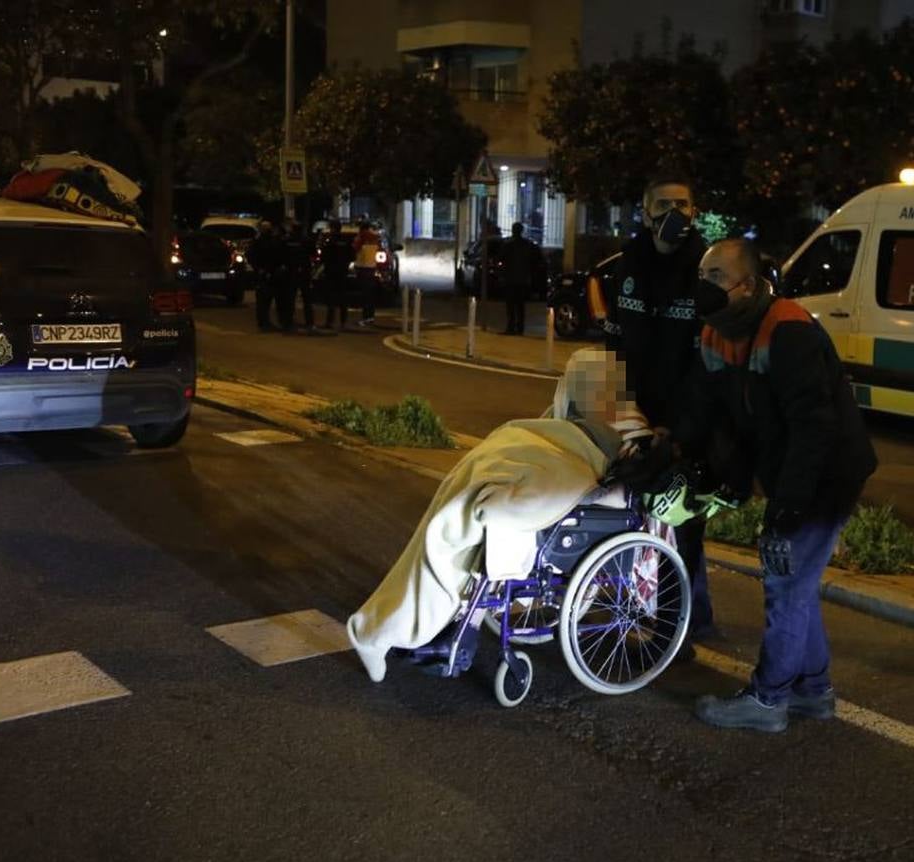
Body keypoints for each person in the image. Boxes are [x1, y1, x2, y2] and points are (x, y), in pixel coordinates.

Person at [345, 348, 654, 683]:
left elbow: (617, 488)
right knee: (467, 504)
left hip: (566, 484)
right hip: (533, 464)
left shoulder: (634, 432)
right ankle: (421, 624)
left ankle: (410, 626)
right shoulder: (578, 413)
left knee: (475, 519)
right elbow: (543, 432)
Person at [678, 239, 878, 734]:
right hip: (789, 469)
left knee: (785, 581)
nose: (706, 286)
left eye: (718, 276)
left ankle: (768, 702)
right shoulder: (714, 333)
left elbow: (814, 426)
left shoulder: (788, 329)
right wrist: (683, 457)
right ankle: (813, 692)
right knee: (797, 584)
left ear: (748, 284)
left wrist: (788, 506)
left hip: (826, 473)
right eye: (704, 274)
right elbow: (712, 414)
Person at [603, 173, 716, 642]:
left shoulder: (706, 272)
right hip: (633, 418)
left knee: (682, 528)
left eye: (684, 204)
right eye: (665, 204)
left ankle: (680, 630)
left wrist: (679, 427)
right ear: (645, 212)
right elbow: (611, 346)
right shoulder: (624, 266)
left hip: (683, 425)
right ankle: (652, 611)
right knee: (628, 519)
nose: (676, 214)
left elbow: (707, 365)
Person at [246, 220, 287, 332]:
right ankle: (263, 323)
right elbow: (251, 256)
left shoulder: (270, 241)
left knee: (267, 300)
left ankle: (266, 322)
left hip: (271, 274)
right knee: (263, 300)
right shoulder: (259, 242)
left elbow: (277, 256)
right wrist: (259, 269)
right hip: (264, 274)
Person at [501, 222, 541, 335]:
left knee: (511, 305)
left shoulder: (508, 245)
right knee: (520, 305)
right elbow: (536, 260)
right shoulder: (528, 245)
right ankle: (520, 328)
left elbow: (501, 259)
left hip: (511, 279)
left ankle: (511, 327)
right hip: (523, 280)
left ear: (513, 231)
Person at [280, 219, 316, 332]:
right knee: (307, 299)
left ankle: (288, 322)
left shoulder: (287, 240)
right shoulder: (307, 240)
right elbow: (313, 253)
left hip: (291, 272)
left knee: (290, 298)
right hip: (304, 271)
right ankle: (309, 322)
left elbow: (282, 255)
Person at [319, 220, 354, 331]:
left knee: (331, 298)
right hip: (343, 272)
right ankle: (343, 322)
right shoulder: (346, 241)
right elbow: (352, 256)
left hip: (331, 272)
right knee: (343, 298)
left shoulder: (330, 241)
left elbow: (323, 257)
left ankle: (330, 322)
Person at [351, 218, 382, 327]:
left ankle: (366, 318)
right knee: (370, 295)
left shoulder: (361, 237)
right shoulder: (376, 237)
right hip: (372, 268)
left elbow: (354, 249)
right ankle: (370, 317)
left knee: (365, 295)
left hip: (362, 268)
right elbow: (380, 251)